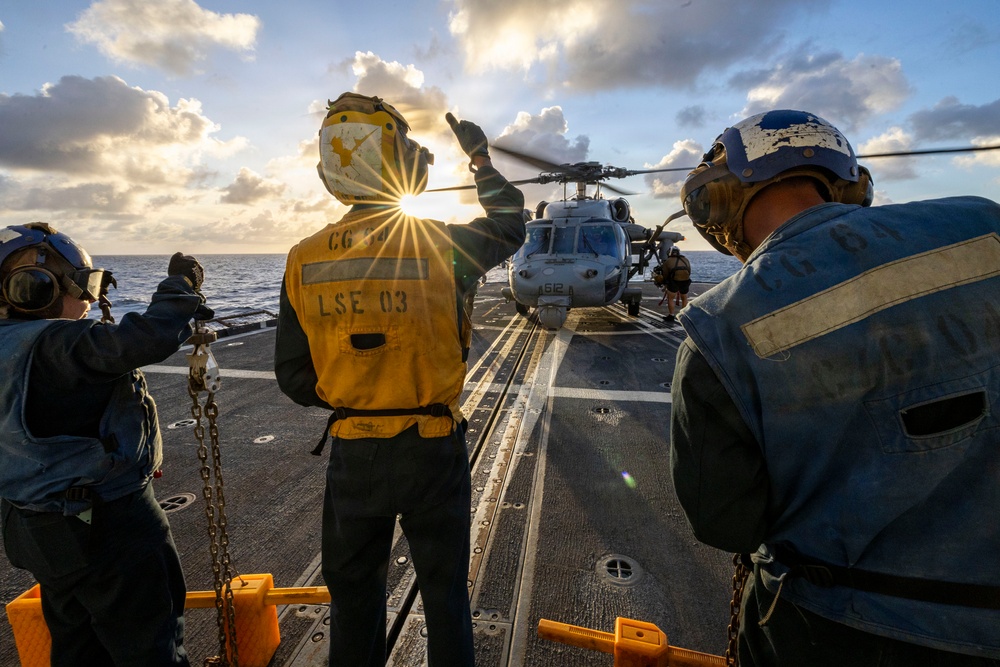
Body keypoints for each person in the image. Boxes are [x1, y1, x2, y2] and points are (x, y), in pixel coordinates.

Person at [668, 109, 1000, 666]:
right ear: (850, 185)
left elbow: (725, 521)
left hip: (835, 630)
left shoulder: (717, 330)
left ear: (718, 201)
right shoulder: (985, 227)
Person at [275, 93, 525, 667]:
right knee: (443, 594)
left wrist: (355, 389)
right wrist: (481, 161)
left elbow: (293, 376)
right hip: (432, 448)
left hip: (354, 453)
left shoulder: (301, 258)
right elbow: (512, 225)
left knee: (354, 594)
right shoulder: (440, 243)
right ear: (402, 163)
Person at [0, 222, 212, 667]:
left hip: (39, 528)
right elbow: (147, 337)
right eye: (84, 283)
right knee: (151, 644)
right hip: (111, 525)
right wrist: (181, 285)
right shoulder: (54, 343)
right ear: (34, 289)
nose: (92, 298)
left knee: (77, 644)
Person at [661, 246, 691, 322]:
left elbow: (665, 274)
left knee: (670, 298)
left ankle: (671, 315)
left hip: (674, 281)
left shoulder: (668, 261)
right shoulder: (685, 259)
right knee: (684, 297)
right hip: (685, 281)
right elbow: (689, 271)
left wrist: (665, 283)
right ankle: (683, 315)